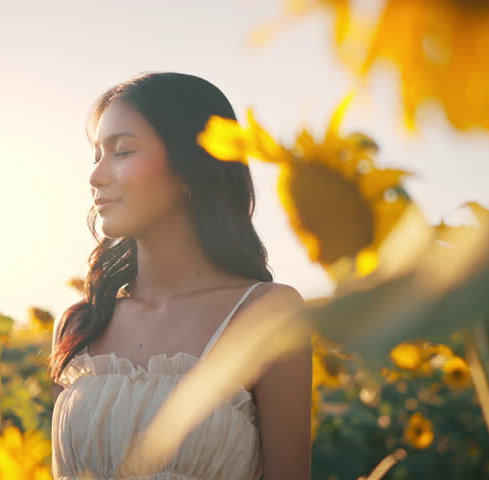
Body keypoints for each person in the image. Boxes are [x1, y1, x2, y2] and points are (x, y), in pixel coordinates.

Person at [48, 71, 312, 479]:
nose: (96, 176)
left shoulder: (267, 313)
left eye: (122, 152)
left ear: (193, 165)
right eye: (97, 154)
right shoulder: (81, 323)